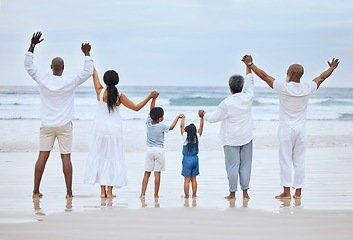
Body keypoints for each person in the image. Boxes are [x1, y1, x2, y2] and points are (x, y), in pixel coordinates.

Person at [242, 55, 340, 199]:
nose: (286, 73)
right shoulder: (308, 87)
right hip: (301, 130)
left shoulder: (284, 87)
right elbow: (321, 77)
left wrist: (250, 64)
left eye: (288, 71)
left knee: (285, 161)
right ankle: (298, 192)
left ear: (292, 74)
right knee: (299, 161)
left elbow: (264, 76)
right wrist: (331, 68)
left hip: (286, 129)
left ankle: (287, 192)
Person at [24, 32, 94, 198]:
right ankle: (69, 193)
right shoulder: (70, 81)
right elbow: (88, 71)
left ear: (51, 67)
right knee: (66, 157)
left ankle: (35, 191)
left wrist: (32, 46)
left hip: (47, 124)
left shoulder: (42, 79)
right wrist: (87, 54)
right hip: (64, 125)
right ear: (63, 68)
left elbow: (28, 64)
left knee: (42, 156)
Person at [84, 68, 159, 198]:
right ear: (117, 81)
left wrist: (87, 55)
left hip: (100, 128)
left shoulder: (100, 92)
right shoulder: (120, 96)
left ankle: (102, 192)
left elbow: (93, 73)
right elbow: (136, 108)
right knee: (112, 158)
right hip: (114, 129)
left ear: (105, 81)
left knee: (101, 157)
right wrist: (150, 97)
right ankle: (110, 192)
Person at [198, 61, 254, 200]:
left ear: (230, 88)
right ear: (242, 87)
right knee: (246, 165)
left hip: (231, 139)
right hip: (246, 136)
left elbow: (213, 118)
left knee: (232, 166)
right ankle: (245, 194)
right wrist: (248, 65)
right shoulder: (248, 96)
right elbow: (250, 81)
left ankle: (233, 194)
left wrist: (203, 114)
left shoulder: (226, 103)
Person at [140, 96, 184, 199]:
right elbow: (171, 127)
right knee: (157, 173)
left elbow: (151, 110)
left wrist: (153, 99)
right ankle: (155, 194)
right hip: (159, 150)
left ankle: (142, 194)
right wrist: (177, 117)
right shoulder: (162, 126)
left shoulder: (148, 123)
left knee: (147, 172)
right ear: (160, 118)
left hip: (149, 150)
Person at [180, 113, 204, 199]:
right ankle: (194, 195)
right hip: (195, 159)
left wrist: (182, 118)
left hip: (187, 159)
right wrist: (202, 118)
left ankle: (186, 196)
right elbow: (201, 127)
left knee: (186, 179)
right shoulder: (197, 136)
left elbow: (181, 127)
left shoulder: (185, 136)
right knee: (194, 179)